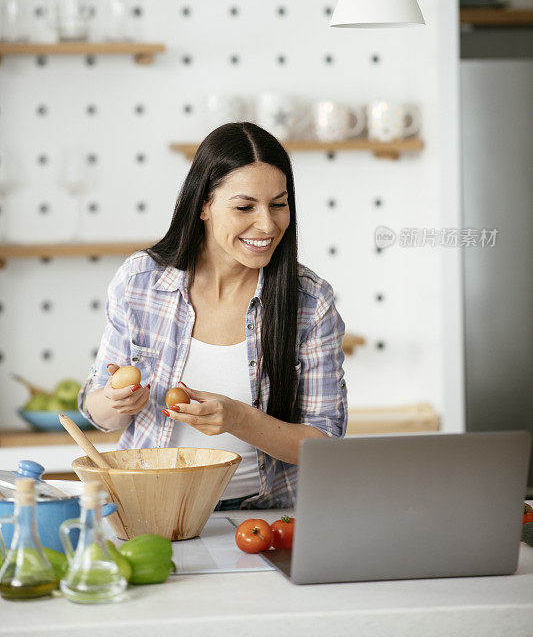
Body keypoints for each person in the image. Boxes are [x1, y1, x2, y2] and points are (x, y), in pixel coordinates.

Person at [78, 122, 348, 510]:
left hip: (264, 517)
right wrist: (115, 400)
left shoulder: (310, 300)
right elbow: (97, 412)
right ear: (203, 204)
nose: (267, 225)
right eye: (244, 207)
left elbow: (326, 446)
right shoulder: (141, 281)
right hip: (149, 505)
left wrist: (239, 418)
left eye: (278, 204)